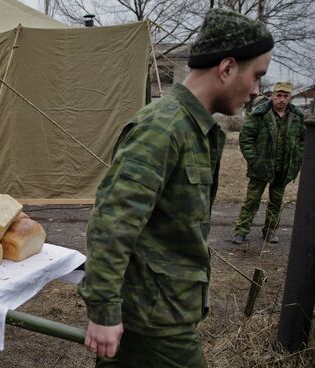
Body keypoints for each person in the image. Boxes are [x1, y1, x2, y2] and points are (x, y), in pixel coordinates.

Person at [78, 9, 273, 367]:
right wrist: (104, 310)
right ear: (227, 68)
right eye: (257, 75)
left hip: (166, 309)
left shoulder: (192, 129)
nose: (258, 90)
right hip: (154, 321)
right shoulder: (163, 129)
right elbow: (111, 223)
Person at [232, 81, 305, 244]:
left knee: (276, 202)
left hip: (284, 168)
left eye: (285, 96)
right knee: (252, 200)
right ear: (272, 96)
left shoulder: (297, 117)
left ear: (290, 97)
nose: (281, 99)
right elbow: (246, 138)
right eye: (278, 95)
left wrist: (297, 159)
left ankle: (270, 231)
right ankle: (241, 231)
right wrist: (254, 160)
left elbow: (303, 140)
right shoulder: (259, 114)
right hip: (261, 167)